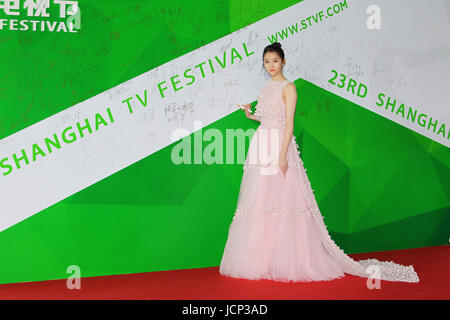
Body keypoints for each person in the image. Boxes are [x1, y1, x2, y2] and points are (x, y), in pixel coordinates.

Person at [219, 42, 419, 283]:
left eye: (274, 61)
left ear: (283, 61)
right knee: (261, 199)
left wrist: (282, 155)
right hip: (261, 142)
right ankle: (263, 260)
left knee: (284, 200)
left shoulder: (289, 88)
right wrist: (251, 114)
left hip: (278, 145)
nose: (270, 66)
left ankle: (288, 259)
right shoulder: (265, 88)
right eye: (266, 62)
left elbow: (288, 123)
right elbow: (266, 116)